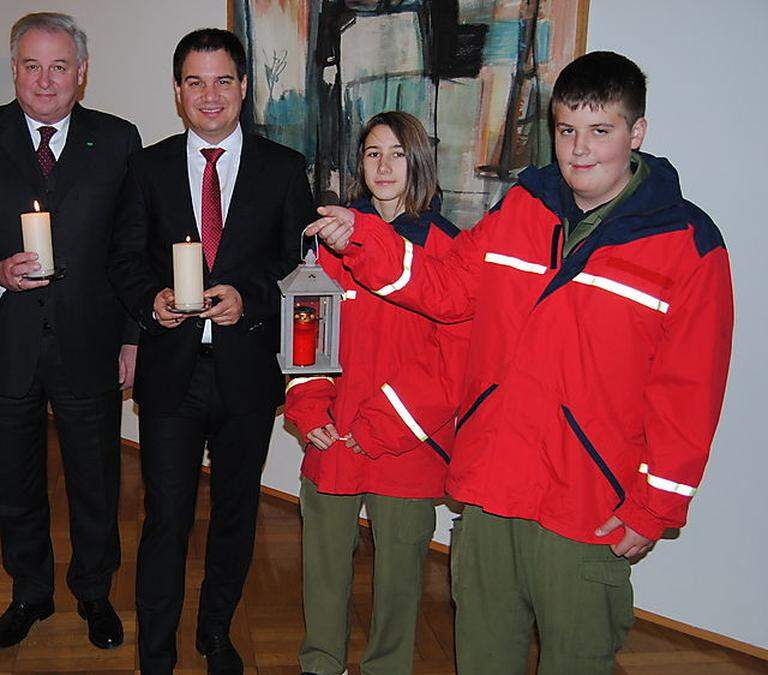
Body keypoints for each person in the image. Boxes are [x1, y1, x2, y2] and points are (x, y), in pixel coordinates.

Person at [306, 51, 734, 674]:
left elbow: (690, 392)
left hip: (586, 504)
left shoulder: (687, 245)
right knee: (481, 656)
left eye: (600, 131)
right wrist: (366, 238)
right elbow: (448, 288)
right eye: (566, 130)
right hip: (489, 492)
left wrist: (654, 505)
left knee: (577, 659)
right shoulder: (521, 210)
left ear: (636, 133)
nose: (579, 151)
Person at [108, 28, 313, 675]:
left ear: (244, 86)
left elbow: (299, 263)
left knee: (235, 512)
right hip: (172, 372)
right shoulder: (150, 166)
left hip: (247, 373)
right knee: (165, 517)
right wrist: (153, 300)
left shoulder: (284, 169)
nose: (210, 95)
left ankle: (216, 631)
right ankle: (156, 654)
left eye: (223, 80)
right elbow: (125, 259)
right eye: (194, 81)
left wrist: (248, 297)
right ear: (177, 91)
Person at [0, 12, 141, 651]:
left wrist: (133, 337)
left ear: (81, 73)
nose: (45, 80)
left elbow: (133, 247)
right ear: (14, 69)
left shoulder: (118, 140)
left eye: (59, 67)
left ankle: (93, 592)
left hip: (91, 342)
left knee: (96, 481)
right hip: (6, 341)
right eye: (32, 65)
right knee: (10, 482)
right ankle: (28, 591)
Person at [284, 111, 467, 675]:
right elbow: (307, 335)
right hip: (333, 433)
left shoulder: (448, 249)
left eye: (396, 152)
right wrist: (308, 406)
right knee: (324, 566)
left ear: (419, 160)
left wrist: (380, 428)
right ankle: (321, 663)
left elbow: (451, 365)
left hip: (407, 442)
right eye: (372, 153)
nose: (384, 165)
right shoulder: (331, 244)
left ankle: (387, 666)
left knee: (400, 577)